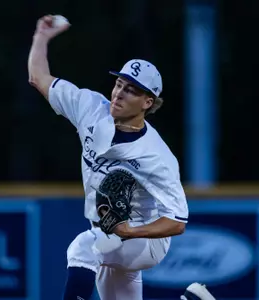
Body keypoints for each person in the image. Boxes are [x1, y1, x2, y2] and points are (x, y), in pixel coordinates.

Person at [28, 14, 216, 300]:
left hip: (146, 239)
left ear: (147, 102)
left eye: (131, 90)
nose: (118, 93)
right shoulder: (90, 107)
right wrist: (41, 36)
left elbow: (177, 222)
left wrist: (129, 232)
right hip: (108, 234)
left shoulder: (156, 156)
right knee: (95, 246)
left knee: (82, 247)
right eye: (119, 84)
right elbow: (38, 78)